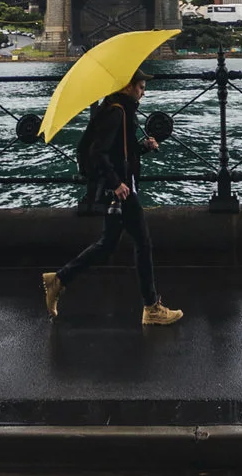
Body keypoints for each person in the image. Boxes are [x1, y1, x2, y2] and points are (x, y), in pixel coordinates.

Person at [42, 71, 181, 326]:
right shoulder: (117, 112)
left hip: (122, 187)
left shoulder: (122, 111)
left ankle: (59, 279)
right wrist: (116, 183)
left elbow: (119, 153)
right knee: (143, 243)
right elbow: (98, 153)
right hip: (120, 191)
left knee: (107, 245)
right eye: (140, 86)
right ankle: (151, 307)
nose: (143, 91)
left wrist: (143, 147)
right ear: (127, 87)